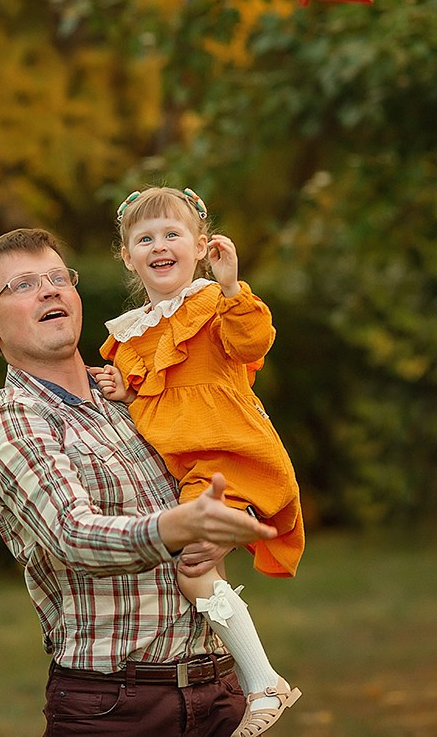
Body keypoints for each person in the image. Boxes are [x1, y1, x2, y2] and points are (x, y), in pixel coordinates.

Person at [0, 227, 277, 737]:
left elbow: (221, 450)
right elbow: (74, 534)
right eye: (22, 285)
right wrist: (176, 527)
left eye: (57, 278)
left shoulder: (137, 390)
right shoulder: (14, 421)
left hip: (220, 692)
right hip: (115, 708)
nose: (48, 290)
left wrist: (233, 513)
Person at [91, 187, 305, 737]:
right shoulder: (131, 333)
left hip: (234, 456)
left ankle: (263, 684)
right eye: (145, 238)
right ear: (127, 256)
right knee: (201, 572)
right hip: (192, 474)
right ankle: (243, 686)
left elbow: (253, 341)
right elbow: (155, 406)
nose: (159, 245)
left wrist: (232, 285)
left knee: (194, 568)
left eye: (172, 234)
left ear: (200, 245)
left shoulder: (214, 304)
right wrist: (123, 390)